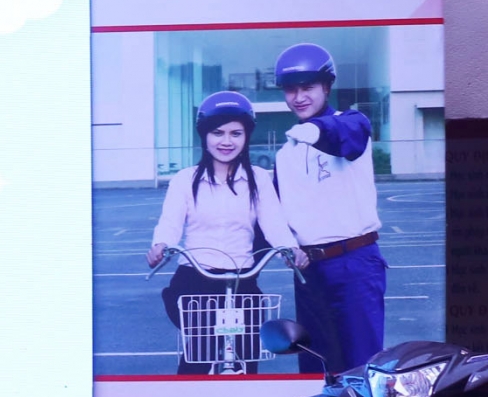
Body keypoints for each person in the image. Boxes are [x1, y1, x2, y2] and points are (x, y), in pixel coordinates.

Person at [147, 92, 299, 376]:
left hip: (242, 280)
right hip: (196, 280)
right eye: (217, 133)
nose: (226, 141)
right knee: (198, 359)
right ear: (204, 136)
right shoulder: (185, 180)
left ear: (246, 136)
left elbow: (274, 223)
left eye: (235, 133)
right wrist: (161, 245)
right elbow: (170, 223)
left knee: (247, 359)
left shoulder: (258, 178)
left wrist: (290, 250)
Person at [267, 42, 386, 374]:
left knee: (362, 367)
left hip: (354, 263)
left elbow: (344, 137)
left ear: (327, 87)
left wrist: (312, 129)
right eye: (291, 89)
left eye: (308, 87)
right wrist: (286, 247)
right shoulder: (285, 154)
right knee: (315, 368)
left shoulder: (351, 123)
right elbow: (274, 212)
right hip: (309, 272)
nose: (299, 97)